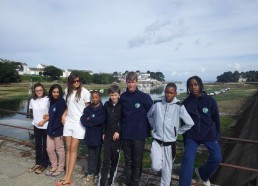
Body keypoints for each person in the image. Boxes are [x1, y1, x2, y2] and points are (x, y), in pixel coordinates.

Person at [147, 82, 194, 186]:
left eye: (171, 93)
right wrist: (154, 126)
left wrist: (178, 131)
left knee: (167, 172)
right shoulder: (157, 104)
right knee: (155, 166)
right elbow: (149, 115)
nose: (168, 95)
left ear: (175, 93)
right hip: (157, 142)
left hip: (170, 144)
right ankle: (160, 171)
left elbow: (190, 123)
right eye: (167, 92)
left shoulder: (179, 106)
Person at [179, 76, 222, 186]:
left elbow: (216, 119)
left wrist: (218, 137)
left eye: (196, 84)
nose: (193, 87)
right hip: (192, 136)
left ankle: (203, 174)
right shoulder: (186, 103)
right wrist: (186, 140)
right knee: (188, 160)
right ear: (188, 87)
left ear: (200, 85)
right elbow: (183, 123)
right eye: (191, 85)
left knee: (217, 157)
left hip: (209, 134)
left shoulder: (210, 101)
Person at [56, 74, 91, 186]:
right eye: (74, 81)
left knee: (73, 148)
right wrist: (63, 115)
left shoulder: (85, 92)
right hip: (68, 121)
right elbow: (68, 106)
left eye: (78, 81)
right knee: (68, 148)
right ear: (70, 82)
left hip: (79, 123)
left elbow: (88, 109)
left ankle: (69, 177)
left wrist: (87, 121)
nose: (76, 83)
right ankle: (67, 175)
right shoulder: (67, 91)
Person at [120, 71, 153, 186]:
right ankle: (128, 182)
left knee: (137, 162)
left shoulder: (145, 97)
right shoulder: (123, 97)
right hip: (126, 135)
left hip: (139, 135)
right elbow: (119, 115)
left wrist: (151, 129)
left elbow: (153, 114)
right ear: (126, 82)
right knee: (128, 161)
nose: (131, 85)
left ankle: (135, 183)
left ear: (137, 82)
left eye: (133, 82)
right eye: (129, 82)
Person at [99, 85, 122, 186]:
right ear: (109, 95)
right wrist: (103, 132)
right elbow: (104, 120)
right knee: (106, 161)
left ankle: (110, 183)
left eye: (115, 95)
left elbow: (123, 120)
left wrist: (118, 131)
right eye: (112, 95)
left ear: (119, 95)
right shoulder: (106, 105)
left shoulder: (122, 105)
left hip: (117, 139)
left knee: (114, 162)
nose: (113, 97)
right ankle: (102, 183)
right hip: (107, 137)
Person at [81, 90, 105, 184]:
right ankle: (90, 173)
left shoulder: (103, 109)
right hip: (89, 135)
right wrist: (91, 123)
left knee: (98, 156)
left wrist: (90, 119)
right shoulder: (88, 108)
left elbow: (101, 120)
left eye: (96, 97)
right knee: (90, 156)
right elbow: (83, 119)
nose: (94, 99)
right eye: (93, 97)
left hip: (98, 136)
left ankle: (97, 173)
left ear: (100, 98)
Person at [28, 83, 49, 174]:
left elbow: (52, 113)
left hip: (46, 126)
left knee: (45, 146)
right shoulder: (32, 100)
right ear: (34, 91)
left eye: (40, 90)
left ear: (43, 90)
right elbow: (32, 111)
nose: (39, 92)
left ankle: (44, 164)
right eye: (37, 90)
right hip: (36, 125)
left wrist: (44, 121)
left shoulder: (48, 99)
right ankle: (38, 163)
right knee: (38, 145)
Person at [45, 84, 66, 177]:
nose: (56, 94)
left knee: (60, 150)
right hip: (50, 130)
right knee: (49, 149)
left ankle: (60, 167)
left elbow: (61, 117)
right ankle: (54, 165)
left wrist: (55, 126)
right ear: (51, 92)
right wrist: (47, 117)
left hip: (58, 130)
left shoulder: (61, 102)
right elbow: (52, 114)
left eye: (58, 92)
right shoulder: (51, 101)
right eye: (54, 92)